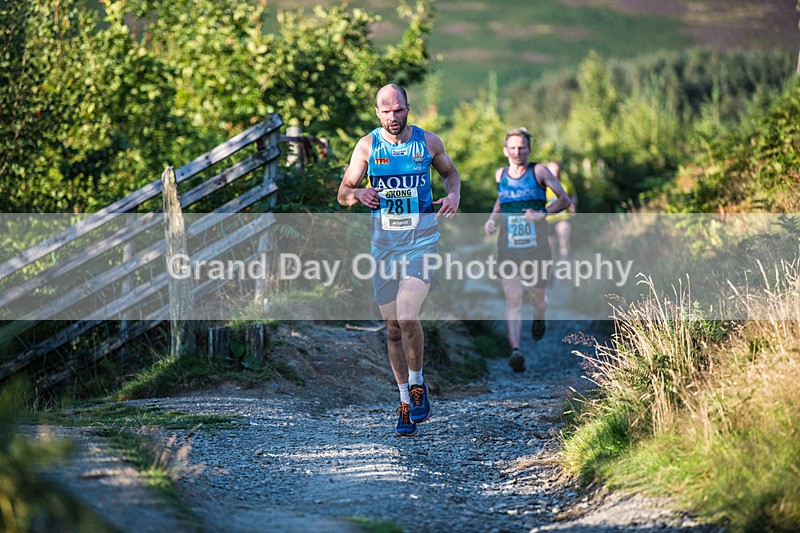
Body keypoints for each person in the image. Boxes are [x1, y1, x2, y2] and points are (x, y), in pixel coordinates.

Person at [338, 84, 461, 436]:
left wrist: (453, 196)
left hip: (421, 243)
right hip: (383, 250)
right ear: (377, 112)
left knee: (407, 315)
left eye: (399, 110)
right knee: (392, 329)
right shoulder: (366, 146)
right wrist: (358, 192)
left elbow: (451, 174)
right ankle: (405, 402)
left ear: (409, 108)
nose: (393, 117)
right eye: (386, 111)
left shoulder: (428, 142)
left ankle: (419, 384)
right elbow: (343, 193)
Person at [483, 128, 571, 373]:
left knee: (536, 298)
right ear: (505, 150)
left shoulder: (539, 171)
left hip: (537, 247)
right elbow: (501, 200)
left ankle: (540, 313)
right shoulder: (500, 174)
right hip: (508, 246)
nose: (517, 152)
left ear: (529, 150)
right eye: (512, 147)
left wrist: (541, 214)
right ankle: (515, 351)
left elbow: (564, 200)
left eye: (522, 147)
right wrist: (491, 220)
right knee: (513, 298)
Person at [545, 161, 577, 261]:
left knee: (564, 243)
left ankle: (564, 269)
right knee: (550, 248)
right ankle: (552, 271)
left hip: (563, 218)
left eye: (557, 170)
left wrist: (572, 205)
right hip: (548, 220)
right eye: (552, 171)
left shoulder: (565, 184)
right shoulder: (542, 186)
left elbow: (573, 196)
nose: (555, 173)